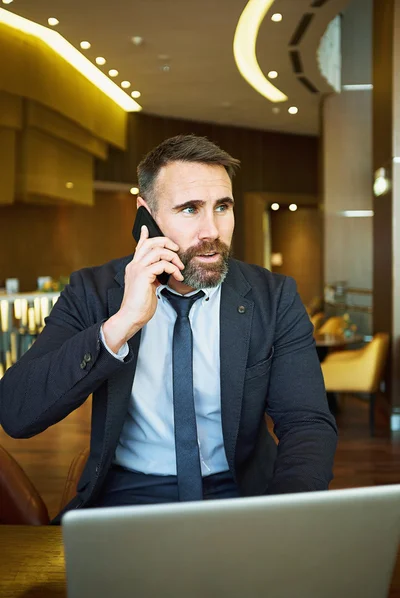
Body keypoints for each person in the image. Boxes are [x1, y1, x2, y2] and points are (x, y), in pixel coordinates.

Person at [0, 134, 337, 523]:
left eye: (222, 207)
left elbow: (307, 423)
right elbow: (16, 412)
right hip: (128, 493)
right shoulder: (91, 292)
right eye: (190, 209)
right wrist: (121, 324)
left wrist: (284, 516)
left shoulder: (273, 297)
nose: (211, 230)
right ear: (147, 215)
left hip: (241, 492)